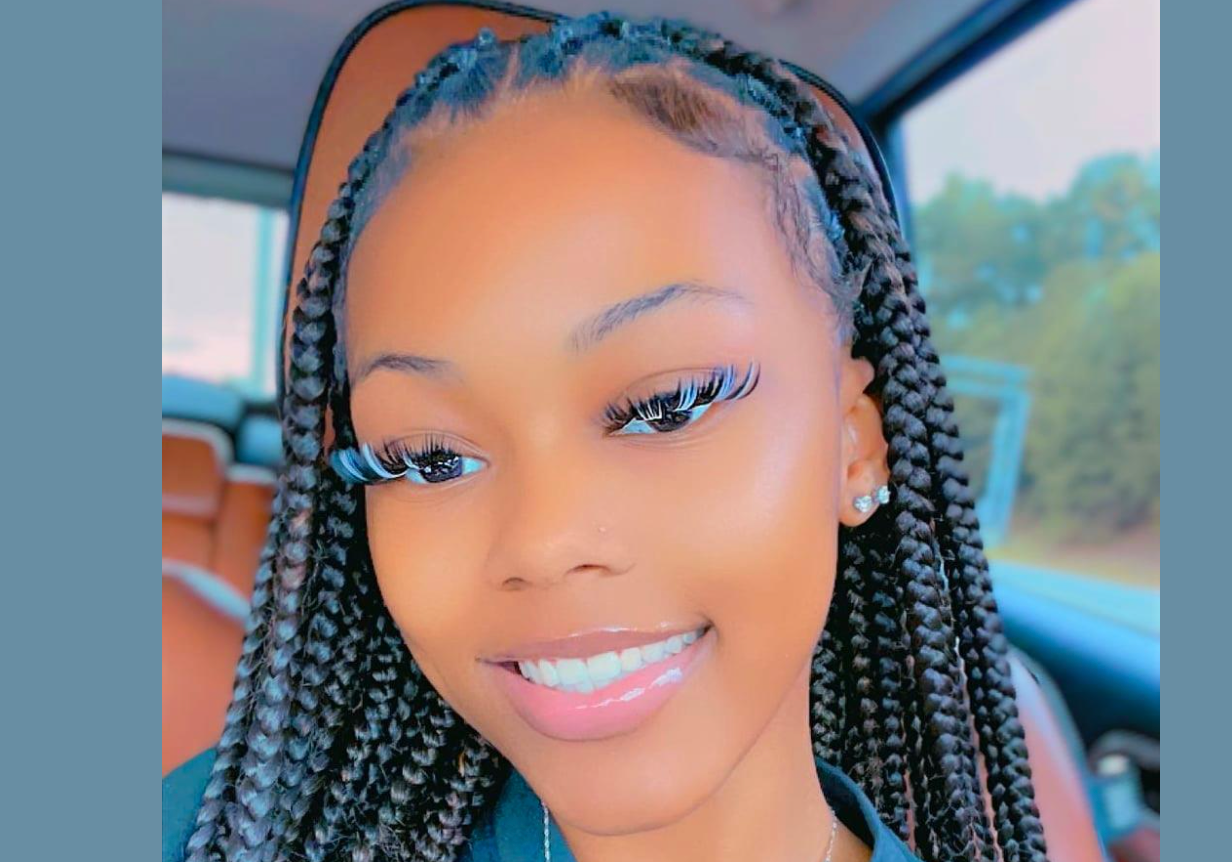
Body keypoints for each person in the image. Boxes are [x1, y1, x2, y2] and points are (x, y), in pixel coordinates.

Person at [163, 11, 1049, 862]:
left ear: (857, 443)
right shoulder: (237, 834)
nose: (544, 542)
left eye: (668, 405)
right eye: (429, 459)